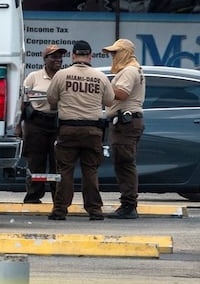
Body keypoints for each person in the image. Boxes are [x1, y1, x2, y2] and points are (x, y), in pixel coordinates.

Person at [45, 40, 115, 221]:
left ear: (73, 56)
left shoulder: (61, 75)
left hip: (68, 130)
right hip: (92, 131)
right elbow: (109, 101)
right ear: (90, 56)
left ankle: (60, 210)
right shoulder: (100, 77)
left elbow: (51, 98)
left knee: (65, 170)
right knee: (90, 171)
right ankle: (95, 210)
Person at [16, 44, 65, 203]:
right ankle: (33, 195)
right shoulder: (34, 77)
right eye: (54, 56)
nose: (58, 59)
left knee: (57, 161)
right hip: (36, 123)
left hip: (57, 122)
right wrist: (18, 125)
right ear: (45, 59)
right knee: (36, 161)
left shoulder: (64, 76)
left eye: (60, 57)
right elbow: (22, 101)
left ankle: (58, 197)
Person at [103, 38, 146, 219]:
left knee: (125, 164)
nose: (112, 56)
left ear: (125, 53)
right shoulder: (132, 69)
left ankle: (128, 205)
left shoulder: (129, 71)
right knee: (124, 163)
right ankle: (128, 203)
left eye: (115, 53)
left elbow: (122, 93)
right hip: (126, 122)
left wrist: (102, 89)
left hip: (125, 124)